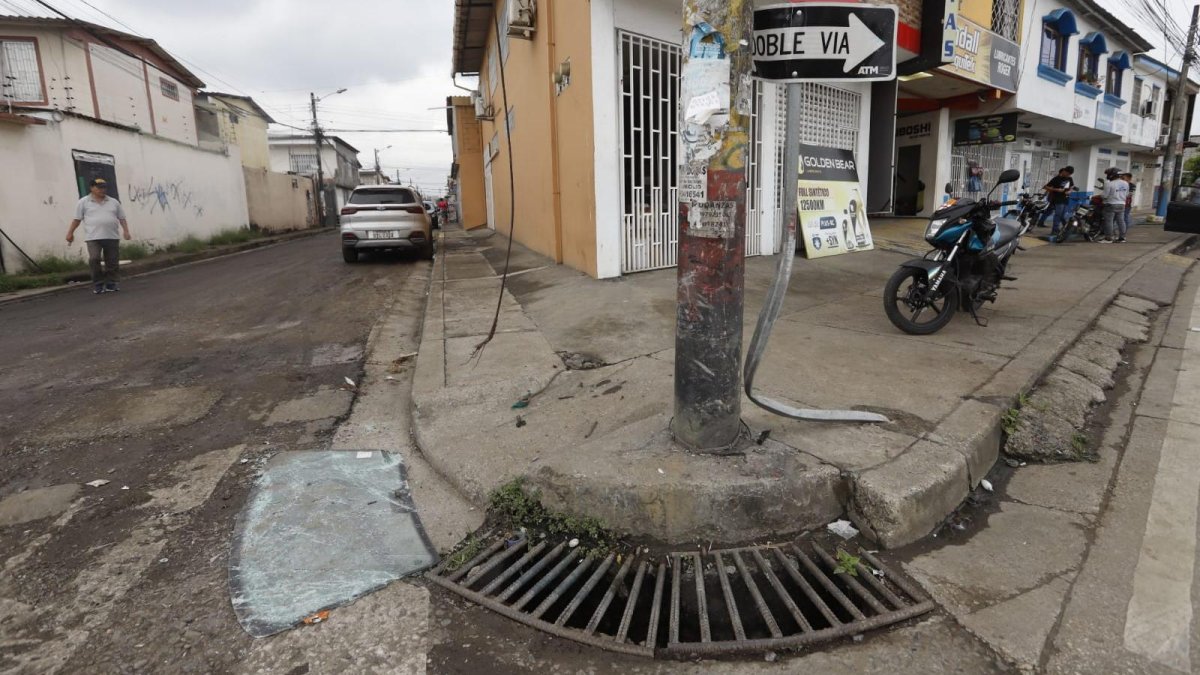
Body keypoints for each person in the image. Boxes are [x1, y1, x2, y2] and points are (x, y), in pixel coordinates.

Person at [65, 178, 131, 294]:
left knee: (112, 261)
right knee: (94, 258)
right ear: (91, 188)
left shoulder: (113, 202)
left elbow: (122, 218)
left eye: (104, 187)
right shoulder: (83, 202)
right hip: (93, 237)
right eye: (99, 187)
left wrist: (126, 231)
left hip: (111, 236)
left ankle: (111, 283)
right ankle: (98, 284)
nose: (102, 190)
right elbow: (77, 219)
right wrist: (70, 233)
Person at [1039, 166, 1075, 236]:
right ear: (1064, 171)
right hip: (1057, 199)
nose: (1068, 175)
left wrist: (1070, 191)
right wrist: (1056, 190)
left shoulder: (1070, 178)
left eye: (1069, 174)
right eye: (1067, 173)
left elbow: (1072, 186)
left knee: (1062, 216)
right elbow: (1045, 187)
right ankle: (1055, 230)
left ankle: (1066, 228)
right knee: (1058, 215)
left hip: (1065, 199)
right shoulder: (1056, 179)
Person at [1099, 167, 1129, 243]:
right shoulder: (1125, 183)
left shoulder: (1110, 184)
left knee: (1109, 221)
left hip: (1111, 204)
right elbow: (1127, 194)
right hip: (1122, 204)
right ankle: (1122, 238)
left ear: (1112, 175)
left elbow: (1105, 196)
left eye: (1108, 174)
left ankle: (1108, 238)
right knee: (1121, 221)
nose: (1107, 176)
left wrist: (1101, 196)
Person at [1121, 171, 1136, 236]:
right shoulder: (1120, 184)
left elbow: (1129, 195)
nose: (1121, 179)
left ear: (1128, 178)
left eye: (1123, 178)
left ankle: (1123, 233)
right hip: (1119, 203)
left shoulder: (1132, 186)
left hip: (1127, 205)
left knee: (1124, 218)